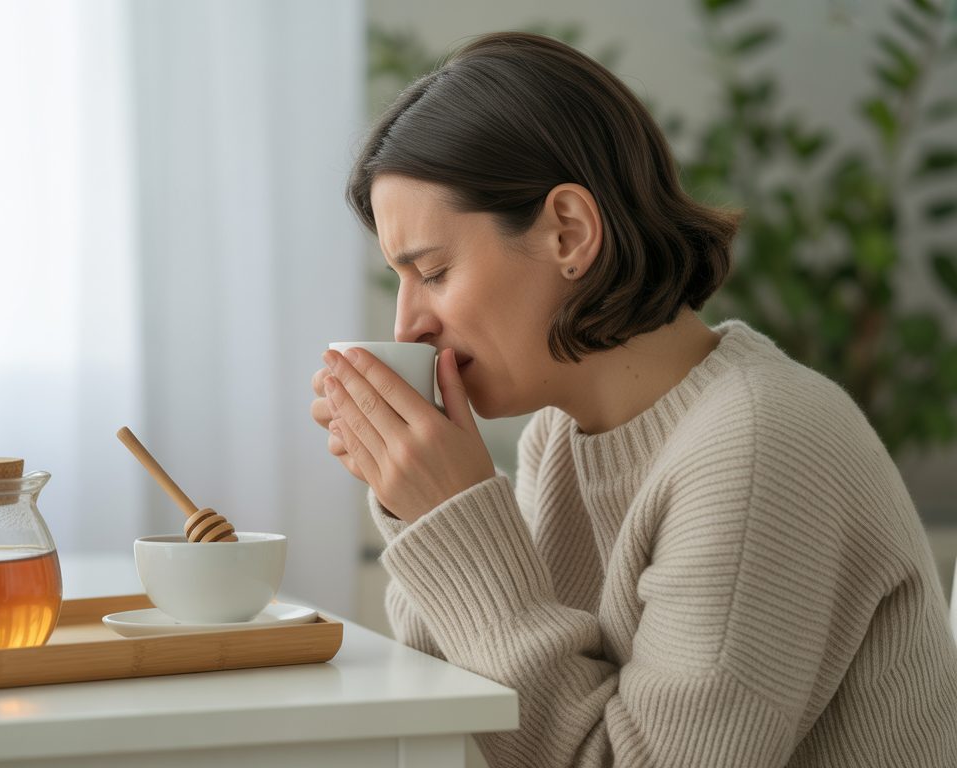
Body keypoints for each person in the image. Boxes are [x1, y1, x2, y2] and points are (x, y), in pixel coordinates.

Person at [310, 31, 957, 767]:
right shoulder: (559, 439)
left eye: (432, 271)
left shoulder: (761, 445)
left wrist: (452, 518)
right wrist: (419, 507)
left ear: (569, 232)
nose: (407, 325)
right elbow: (470, 717)